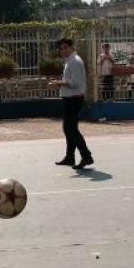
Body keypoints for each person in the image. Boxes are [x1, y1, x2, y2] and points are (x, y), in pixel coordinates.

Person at [49, 37, 92, 170]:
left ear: (72, 47)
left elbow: (75, 83)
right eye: (61, 48)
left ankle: (86, 156)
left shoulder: (74, 61)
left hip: (74, 99)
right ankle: (70, 157)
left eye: (65, 47)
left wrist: (58, 83)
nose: (63, 51)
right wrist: (60, 82)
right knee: (69, 129)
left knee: (71, 129)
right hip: (70, 99)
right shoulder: (70, 62)